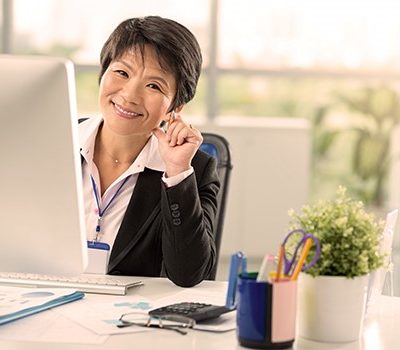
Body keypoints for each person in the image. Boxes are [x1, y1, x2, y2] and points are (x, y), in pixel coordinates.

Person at [78, 16, 220, 287]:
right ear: (103, 72)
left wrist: (177, 174)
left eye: (154, 85)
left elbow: (189, 275)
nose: (130, 95)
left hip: (127, 320)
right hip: (43, 304)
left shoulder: (195, 171)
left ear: (175, 107)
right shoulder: (55, 143)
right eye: (122, 72)